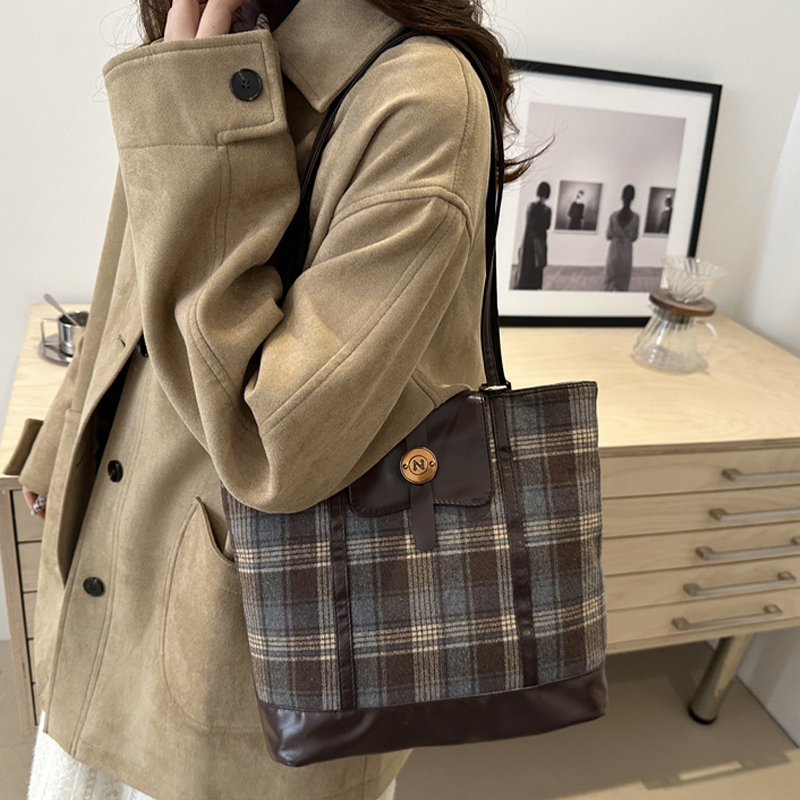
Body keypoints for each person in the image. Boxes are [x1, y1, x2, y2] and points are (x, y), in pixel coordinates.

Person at [13, 1, 532, 799]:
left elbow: (276, 440)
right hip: (117, 541)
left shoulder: (421, 97)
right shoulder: (210, 30)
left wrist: (196, 129)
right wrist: (63, 438)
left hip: (244, 637)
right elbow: (128, 279)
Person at [513, 180, 551, 289]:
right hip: (540, 240)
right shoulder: (547, 210)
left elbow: (530, 223)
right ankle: (535, 286)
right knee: (537, 265)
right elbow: (547, 226)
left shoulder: (531, 207)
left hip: (529, 240)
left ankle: (523, 284)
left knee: (527, 264)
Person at [603, 184, 640, 291]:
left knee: (609, 280)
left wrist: (617, 236)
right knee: (623, 281)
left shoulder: (613, 216)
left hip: (614, 249)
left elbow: (608, 235)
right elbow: (634, 237)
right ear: (633, 198)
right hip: (626, 251)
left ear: (621, 196)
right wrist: (626, 238)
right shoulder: (636, 218)